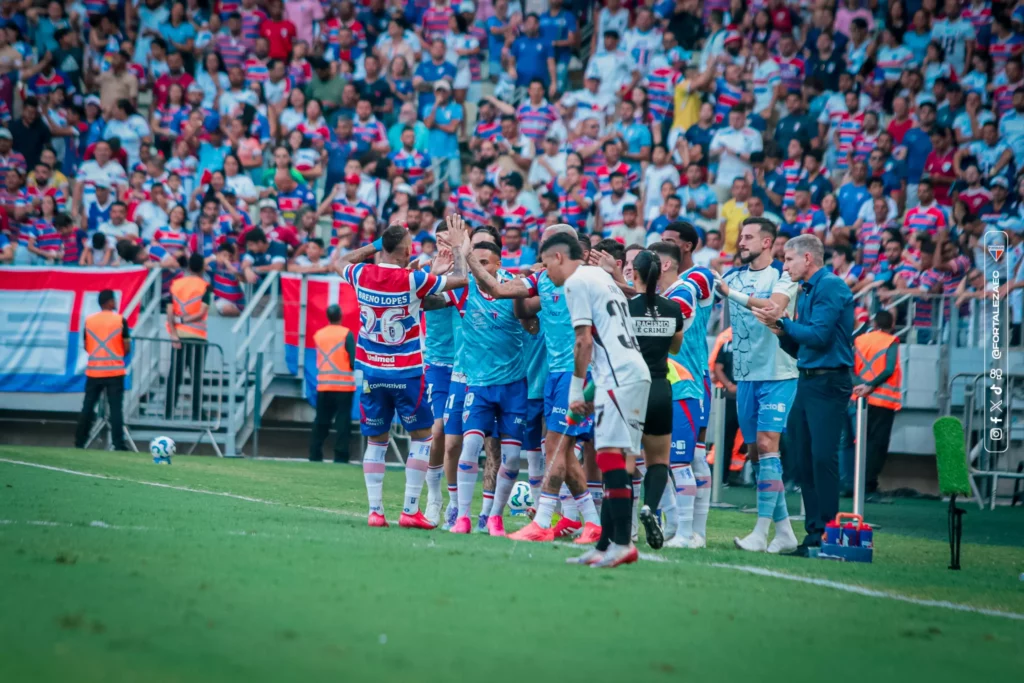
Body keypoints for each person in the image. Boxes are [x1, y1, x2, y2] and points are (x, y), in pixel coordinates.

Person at [465, 224, 603, 544]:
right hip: (554, 375)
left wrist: (465, 252)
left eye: (546, 249)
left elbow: (590, 333)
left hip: (578, 372)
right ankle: (591, 522)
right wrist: (520, 289)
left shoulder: (588, 280)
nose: (541, 256)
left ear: (560, 252)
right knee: (559, 450)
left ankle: (544, 521)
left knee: (559, 448)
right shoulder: (542, 280)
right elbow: (508, 298)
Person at [334, 221, 468, 528]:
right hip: (406, 372)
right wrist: (457, 246)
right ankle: (409, 510)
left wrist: (376, 244)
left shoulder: (362, 274)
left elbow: (341, 261)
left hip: (371, 371)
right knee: (422, 437)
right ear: (407, 251)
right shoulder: (413, 279)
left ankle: (375, 511)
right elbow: (461, 279)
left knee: (376, 441)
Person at [540, 232, 651, 568]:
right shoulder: (600, 277)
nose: (546, 273)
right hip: (632, 372)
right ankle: (605, 545)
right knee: (617, 460)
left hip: (619, 377)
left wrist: (576, 390)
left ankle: (622, 544)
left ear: (559, 257)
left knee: (609, 459)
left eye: (546, 264)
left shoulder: (575, 282)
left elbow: (584, 341)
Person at [753, 234, 854, 557]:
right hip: (809, 380)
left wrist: (783, 322)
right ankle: (814, 534)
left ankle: (828, 532)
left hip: (829, 382)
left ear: (807, 258)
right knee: (804, 459)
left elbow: (819, 336)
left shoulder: (830, 286)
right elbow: (803, 348)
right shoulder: (809, 290)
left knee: (822, 457)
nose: (785, 267)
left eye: (788, 259)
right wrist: (780, 331)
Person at [716, 217, 800, 554]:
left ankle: (760, 533)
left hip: (779, 373)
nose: (741, 242)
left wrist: (731, 294)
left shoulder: (784, 274)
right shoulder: (732, 277)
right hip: (745, 375)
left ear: (767, 242)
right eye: (741, 237)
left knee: (767, 445)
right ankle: (785, 532)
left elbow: (773, 308)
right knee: (756, 453)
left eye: (748, 237)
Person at [444, 219, 527, 536]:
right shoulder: (464, 289)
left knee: (512, 458)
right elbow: (430, 295)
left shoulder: (514, 285)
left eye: (485, 263)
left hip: (514, 386)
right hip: (477, 385)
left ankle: (494, 516)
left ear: (499, 263)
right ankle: (463, 516)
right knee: (469, 446)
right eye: (475, 262)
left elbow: (528, 312)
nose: (479, 270)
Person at [658, 221, 715, 548]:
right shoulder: (662, 291)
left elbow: (670, 316)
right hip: (665, 381)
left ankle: (696, 531)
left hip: (692, 379)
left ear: (686, 247)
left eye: (669, 240)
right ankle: (676, 525)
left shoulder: (697, 279)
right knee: (661, 457)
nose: (664, 243)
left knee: (692, 457)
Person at [627, 249, 684, 549]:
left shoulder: (624, 308)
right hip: (660, 388)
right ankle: (649, 507)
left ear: (633, 273)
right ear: (659, 274)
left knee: (624, 460)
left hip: (631, 389)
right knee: (659, 461)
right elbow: (675, 348)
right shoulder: (673, 308)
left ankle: (623, 525)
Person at [851, 310, 902, 495]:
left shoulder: (859, 340)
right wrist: (870, 386)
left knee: (860, 442)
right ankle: (869, 485)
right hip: (882, 401)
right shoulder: (891, 341)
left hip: (860, 399)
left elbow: (849, 366)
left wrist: (860, 385)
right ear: (892, 325)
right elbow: (889, 369)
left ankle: (854, 483)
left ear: (874, 323)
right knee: (877, 445)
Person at [75, 290, 130, 452]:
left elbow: (87, 346)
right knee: (116, 409)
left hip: (94, 372)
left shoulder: (89, 321)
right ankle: (118, 444)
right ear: (109, 302)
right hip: (115, 372)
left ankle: (79, 442)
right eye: (114, 300)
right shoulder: (120, 320)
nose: (116, 302)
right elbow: (126, 347)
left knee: (88, 407)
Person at [165, 254, 211, 422]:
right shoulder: (205, 286)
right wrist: (184, 320)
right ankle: (197, 413)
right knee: (196, 376)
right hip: (197, 337)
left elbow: (169, 311)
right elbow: (202, 312)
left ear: (189, 267)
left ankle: (169, 412)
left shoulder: (175, 284)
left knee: (175, 376)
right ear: (202, 268)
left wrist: (173, 334)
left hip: (179, 337)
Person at [309, 305, 357, 464]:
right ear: (341, 316)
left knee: (321, 421)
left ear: (328, 316)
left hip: (324, 386)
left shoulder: (319, 335)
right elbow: (353, 361)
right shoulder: (346, 333)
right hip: (344, 387)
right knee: (342, 423)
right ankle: (341, 456)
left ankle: (315, 454)